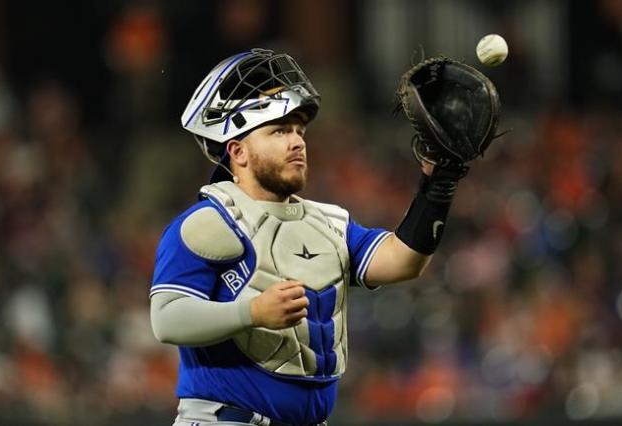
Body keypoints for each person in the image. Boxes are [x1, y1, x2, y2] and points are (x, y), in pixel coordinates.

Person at [150, 48, 468, 426]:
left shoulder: (328, 223)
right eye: (279, 130)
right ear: (238, 151)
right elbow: (166, 319)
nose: (297, 141)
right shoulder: (208, 223)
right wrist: (250, 312)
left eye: (299, 131)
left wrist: (438, 185)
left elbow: (402, 261)